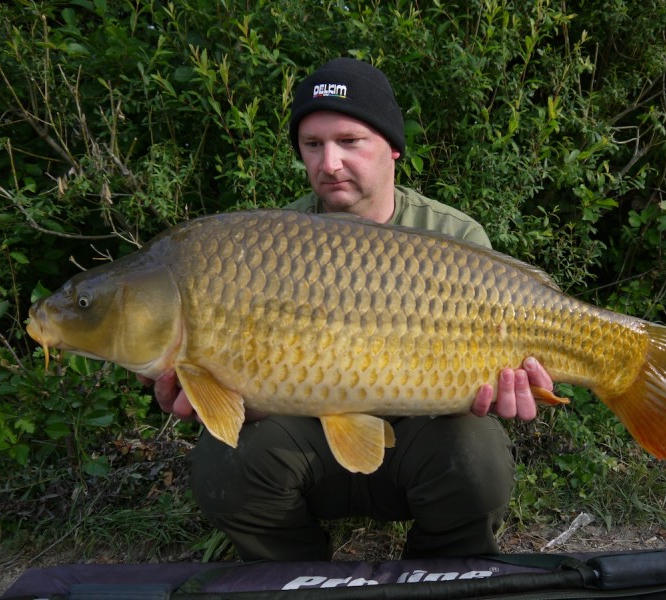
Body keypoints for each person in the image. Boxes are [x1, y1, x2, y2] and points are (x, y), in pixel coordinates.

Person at [144, 58, 554, 561]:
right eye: (313, 145)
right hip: (307, 439)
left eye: (349, 141)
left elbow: (485, 386)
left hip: (419, 440)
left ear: (393, 148)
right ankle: (293, 577)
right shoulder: (268, 241)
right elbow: (255, 392)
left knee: (478, 453)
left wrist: (507, 389)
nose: (329, 163)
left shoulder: (453, 237)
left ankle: (443, 575)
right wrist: (232, 399)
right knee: (224, 461)